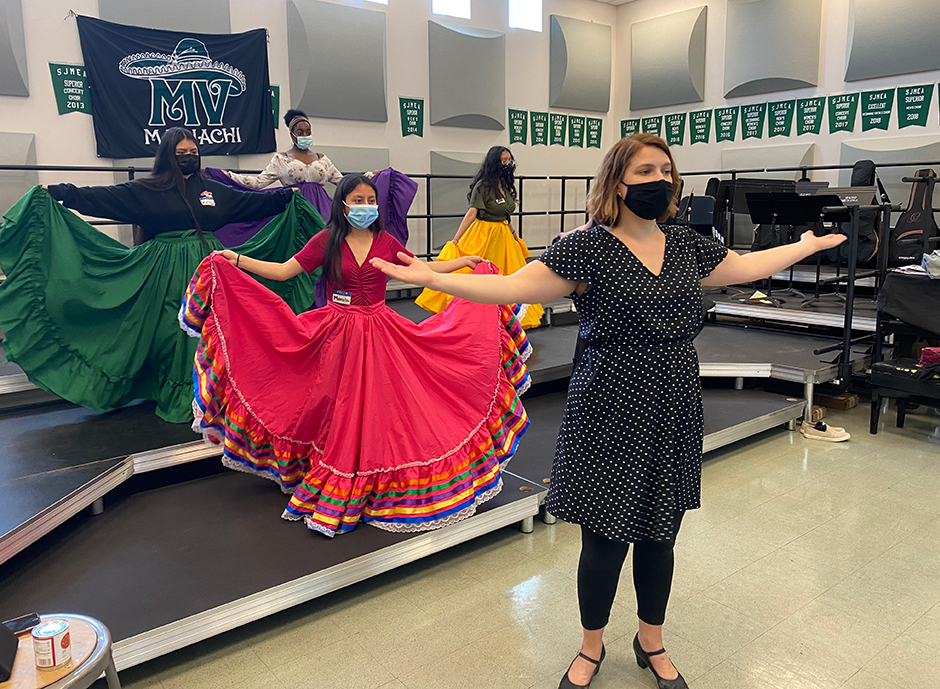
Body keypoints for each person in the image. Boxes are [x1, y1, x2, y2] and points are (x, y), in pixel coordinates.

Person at [370, 134, 847, 689]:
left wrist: (806, 246)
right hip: (608, 404)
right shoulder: (587, 248)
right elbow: (516, 286)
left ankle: (652, 639)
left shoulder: (687, 243)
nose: (659, 180)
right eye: (644, 170)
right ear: (616, 181)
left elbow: (743, 266)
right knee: (602, 539)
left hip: (672, 402)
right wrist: (436, 277)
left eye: (665, 170)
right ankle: (590, 646)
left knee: (660, 535)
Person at [179, 174, 533, 536]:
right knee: (329, 404)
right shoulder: (326, 240)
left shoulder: (385, 241)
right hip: (334, 333)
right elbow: (286, 272)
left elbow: (422, 273)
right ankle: (331, 464)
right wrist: (235, 260)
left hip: (380, 332)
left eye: (370, 200)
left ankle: (370, 473)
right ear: (342, 204)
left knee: (379, 409)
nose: (365, 206)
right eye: (358, 200)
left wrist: (462, 263)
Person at [0, 127, 321, 423]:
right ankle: (185, 396)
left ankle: (215, 393)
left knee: (216, 329)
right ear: (168, 154)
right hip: (164, 275)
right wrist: (61, 192)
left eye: (193, 151)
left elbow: (251, 203)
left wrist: (289, 195)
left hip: (212, 272)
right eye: (181, 151)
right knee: (174, 334)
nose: (189, 156)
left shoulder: (213, 191)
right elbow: (102, 198)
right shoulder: (147, 190)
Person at [416, 146, 544, 329]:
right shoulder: (483, 186)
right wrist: (456, 239)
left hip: (504, 236)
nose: (507, 164)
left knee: (510, 278)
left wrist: (514, 235)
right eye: (503, 161)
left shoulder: (506, 185)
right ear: (494, 163)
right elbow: (471, 213)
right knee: (480, 275)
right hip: (485, 233)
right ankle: (477, 318)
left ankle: (505, 320)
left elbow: (506, 214)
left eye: (509, 160)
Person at [224, 109, 384, 188]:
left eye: (308, 132)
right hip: (294, 208)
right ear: (292, 134)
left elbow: (343, 182)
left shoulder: (323, 159)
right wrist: (228, 176)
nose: (305, 135)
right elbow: (258, 182)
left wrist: (370, 176)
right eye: (300, 132)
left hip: (320, 208)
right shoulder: (281, 159)